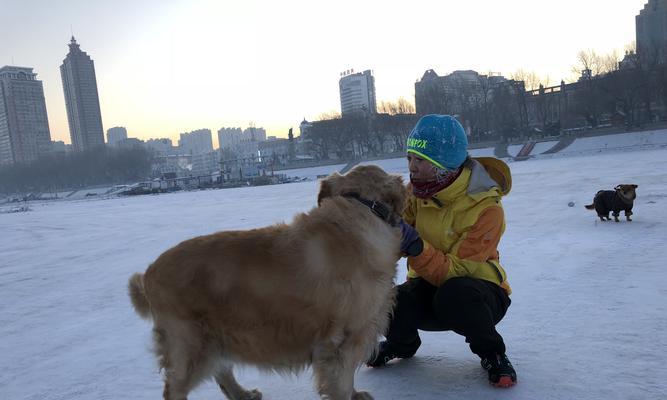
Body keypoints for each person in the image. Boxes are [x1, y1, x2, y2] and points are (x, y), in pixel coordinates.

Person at [367, 114, 517, 388]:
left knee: (455, 292)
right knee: (386, 299)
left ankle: (493, 352)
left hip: (479, 297)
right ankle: (402, 344)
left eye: (420, 160)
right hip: (429, 288)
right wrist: (381, 227)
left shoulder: (487, 208)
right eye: (409, 158)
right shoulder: (416, 193)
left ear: (444, 165)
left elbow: (460, 270)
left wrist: (417, 246)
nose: (411, 167)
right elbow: (395, 241)